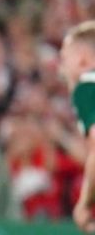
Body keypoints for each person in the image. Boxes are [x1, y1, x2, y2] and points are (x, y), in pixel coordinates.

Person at [59, 20, 95, 232]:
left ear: (82, 60)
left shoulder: (87, 86)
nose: (60, 66)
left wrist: (84, 204)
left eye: (64, 58)